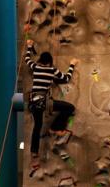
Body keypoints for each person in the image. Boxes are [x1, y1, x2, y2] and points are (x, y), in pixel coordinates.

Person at [25, 39, 79, 170]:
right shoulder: (51, 70)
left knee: (37, 127)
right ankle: (55, 127)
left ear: (40, 61)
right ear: (49, 62)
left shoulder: (35, 67)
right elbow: (66, 78)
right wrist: (72, 65)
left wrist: (29, 46)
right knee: (70, 108)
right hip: (45, 103)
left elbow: (27, 59)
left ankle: (34, 153)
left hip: (33, 103)